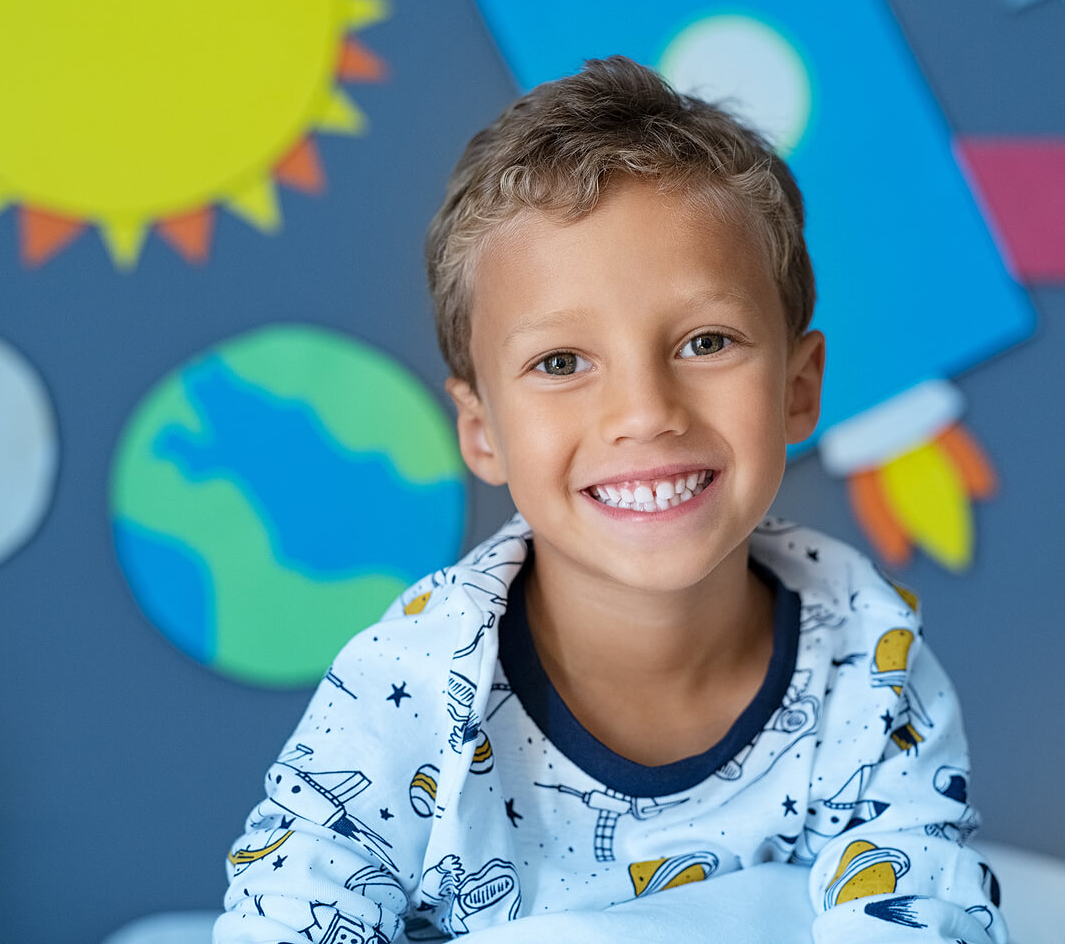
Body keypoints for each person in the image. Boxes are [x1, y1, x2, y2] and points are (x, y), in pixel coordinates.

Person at [216, 56, 1007, 943]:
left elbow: (922, 913)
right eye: (561, 363)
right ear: (482, 431)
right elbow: (285, 918)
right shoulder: (409, 686)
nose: (644, 413)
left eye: (707, 342)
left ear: (799, 386)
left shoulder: (870, 659)